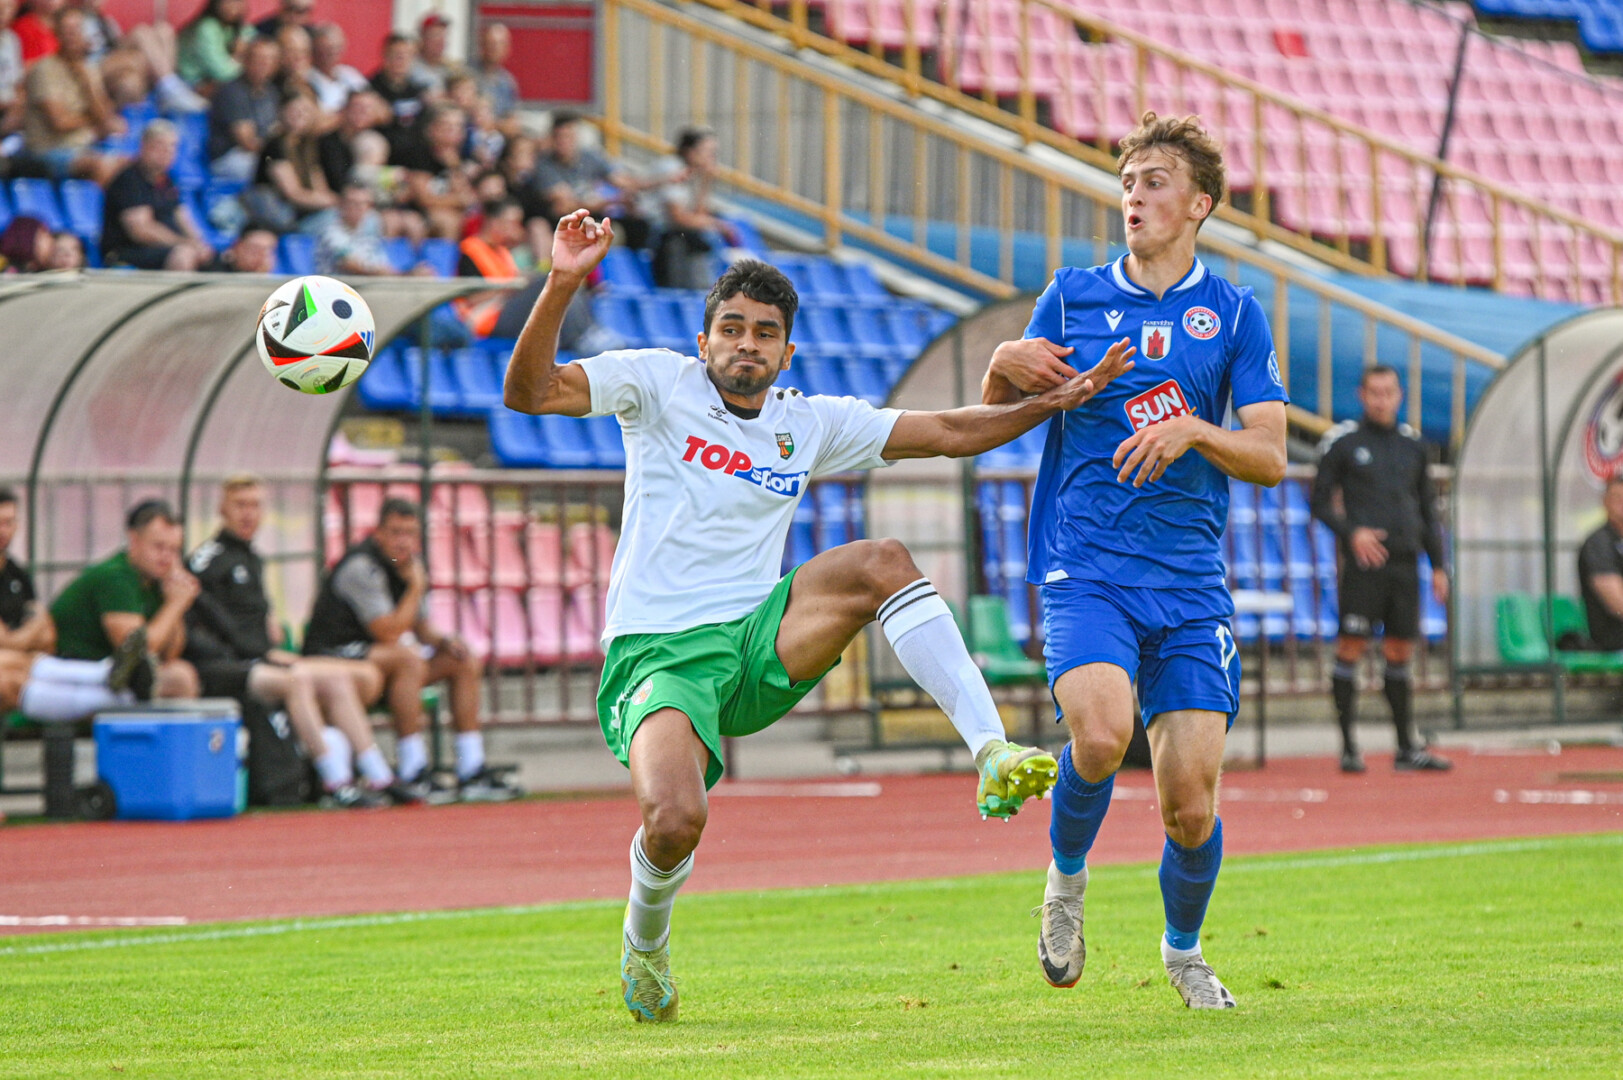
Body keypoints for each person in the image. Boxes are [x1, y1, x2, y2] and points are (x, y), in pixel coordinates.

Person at [504, 212, 1127, 1023]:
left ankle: (990, 750)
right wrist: (561, 281)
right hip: (658, 653)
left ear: (787, 352)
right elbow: (528, 393)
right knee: (674, 819)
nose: (746, 345)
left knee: (881, 561)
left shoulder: (806, 421)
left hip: (759, 638)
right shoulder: (655, 383)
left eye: (764, 334)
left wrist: (1058, 400)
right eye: (732, 329)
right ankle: (644, 946)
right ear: (703, 341)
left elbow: (948, 431)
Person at [983, 112, 1289, 1010]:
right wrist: (1001, 364)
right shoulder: (1070, 297)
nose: (1133, 197)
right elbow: (994, 417)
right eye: (1125, 183)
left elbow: (1270, 456)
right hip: (1086, 566)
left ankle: (1183, 952)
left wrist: (1194, 429)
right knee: (1100, 735)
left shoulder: (1233, 313)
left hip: (1189, 584)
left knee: (1188, 807)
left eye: (1154, 182)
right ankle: (1065, 881)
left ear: (1199, 204)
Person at [186, 475, 411, 809]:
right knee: (298, 680)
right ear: (222, 509)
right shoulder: (207, 560)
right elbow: (204, 625)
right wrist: (258, 652)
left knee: (338, 679)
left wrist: (267, 644)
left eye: (255, 505)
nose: (248, 514)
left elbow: (251, 623)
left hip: (256, 659)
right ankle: (336, 780)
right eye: (240, 505)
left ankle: (379, 774)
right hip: (221, 665)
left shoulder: (251, 558)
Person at [302, 498, 519, 802]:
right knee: (408, 658)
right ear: (379, 533)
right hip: (334, 654)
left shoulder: (409, 567)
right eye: (395, 532)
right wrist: (416, 588)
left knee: (463, 659)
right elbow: (388, 631)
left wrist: (445, 642)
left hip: (379, 659)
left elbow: (420, 626)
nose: (402, 542)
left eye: (410, 533)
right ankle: (412, 768)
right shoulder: (362, 567)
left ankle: (471, 768)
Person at [1311, 364, 1451, 774]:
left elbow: (1427, 509)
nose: (1381, 399)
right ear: (1362, 395)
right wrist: (1352, 533)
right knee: (1350, 648)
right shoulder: (1344, 443)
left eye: (1388, 392)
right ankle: (1348, 747)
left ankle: (1406, 747)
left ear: (1399, 395)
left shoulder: (1414, 446)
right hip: (1364, 566)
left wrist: (1438, 565)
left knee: (1399, 651)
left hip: (1406, 564)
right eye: (1374, 392)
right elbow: (1319, 502)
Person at [49, 499, 200, 700]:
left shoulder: (156, 580)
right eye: (159, 547)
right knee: (179, 679)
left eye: (174, 550)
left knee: (180, 672)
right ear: (134, 540)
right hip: (73, 673)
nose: (166, 558)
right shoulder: (115, 576)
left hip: (111, 675)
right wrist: (174, 605)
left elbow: (169, 654)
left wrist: (175, 604)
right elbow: (138, 651)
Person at [20, 6, 124, 185]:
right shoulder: (44, 69)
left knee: (130, 165)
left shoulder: (90, 69)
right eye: (67, 30)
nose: (73, 35)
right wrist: (94, 119)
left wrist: (87, 85)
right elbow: (60, 122)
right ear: (57, 33)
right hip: (48, 151)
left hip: (83, 147)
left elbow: (106, 118)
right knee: (100, 165)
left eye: (77, 29)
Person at [102, 120, 215, 271]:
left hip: (165, 248)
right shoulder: (129, 180)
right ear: (144, 146)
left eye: (172, 146)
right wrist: (183, 243)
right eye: (160, 145)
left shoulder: (167, 179)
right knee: (184, 254)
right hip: (128, 251)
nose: (167, 151)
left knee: (213, 255)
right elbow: (141, 231)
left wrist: (198, 243)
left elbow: (182, 216)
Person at [531, 111, 653, 248]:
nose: (564, 142)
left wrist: (657, 182)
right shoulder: (543, 166)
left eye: (569, 137)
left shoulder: (589, 157)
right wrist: (613, 201)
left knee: (639, 225)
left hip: (592, 216)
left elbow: (622, 180)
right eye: (560, 137)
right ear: (552, 138)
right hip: (564, 222)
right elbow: (568, 206)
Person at [649, 126, 738, 290]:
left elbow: (699, 214)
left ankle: (707, 289)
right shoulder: (674, 169)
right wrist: (718, 225)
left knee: (705, 236)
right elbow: (678, 218)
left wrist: (706, 182)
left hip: (677, 233)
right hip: (653, 232)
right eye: (708, 153)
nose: (712, 159)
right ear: (690, 152)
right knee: (705, 237)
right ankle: (697, 290)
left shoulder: (696, 172)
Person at [244, 92, 336, 233]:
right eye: (294, 110)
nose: (300, 115)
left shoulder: (308, 145)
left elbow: (318, 186)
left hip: (302, 212)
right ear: (281, 112)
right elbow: (292, 193)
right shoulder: (275, 145)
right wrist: (336, 203)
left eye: (305, 111)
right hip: (281, 214)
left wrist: (334, 201)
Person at [393, 103, 476, 239]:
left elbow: (464, 194)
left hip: (445, 209)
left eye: (458, 126)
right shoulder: (418, 154)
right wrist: (459, 201)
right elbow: (424, 199)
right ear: (430, 129)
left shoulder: (462, 157)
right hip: (415, 212)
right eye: (446, 125)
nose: (452, 131)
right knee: (448, 221)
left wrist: (454, 167)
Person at [206, 35, 279, 183]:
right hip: (230, 156)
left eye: (270, 59)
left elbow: (277, 130)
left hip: (260, 153)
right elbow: (247, 142)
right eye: (259, 58)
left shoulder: (272, 92)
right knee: (274, 168)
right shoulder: (232, 91)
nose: (264, 64)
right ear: (246, 60)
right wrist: (277, 153)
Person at [1577, 477, 1623, 652]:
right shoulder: (1599, 543)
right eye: (1616, 498)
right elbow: (1617, 603)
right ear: (1605, 502)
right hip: (1611, 638)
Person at [315, 181, 399, 276]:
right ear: (341, 205)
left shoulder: (370, 230)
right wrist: (395, 276)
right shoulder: (330, 232)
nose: (359, 208)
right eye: (353, 203)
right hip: (336, 283)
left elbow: (381, 263)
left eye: (364, 203)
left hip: (368, 283)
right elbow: (349, 264)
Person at [370, 32, 432, 153]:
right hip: (385, 148)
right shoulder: (371, 89)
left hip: (416, 150)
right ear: (385, 56)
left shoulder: (418, 91)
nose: (402, 60)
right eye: (397, 55)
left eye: (407, 55)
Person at [177, 0, 253, 90]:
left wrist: (244, 41)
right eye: (229, 1)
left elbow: (252, 36)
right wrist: (240, 57)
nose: (234, 6)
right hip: (191, 83)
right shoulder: (207, 27)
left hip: (215, 80)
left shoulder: (235, 26)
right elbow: (222, 72)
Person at [307, 22, 365, 115]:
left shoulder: (350, 74)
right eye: (327, 48)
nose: (333, 52)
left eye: (337, 47)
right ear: (314, 48)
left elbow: (372, 104)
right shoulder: (306, 78)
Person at [473, 22, 518, 131]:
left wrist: (496, 125)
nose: (495, 48)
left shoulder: (507, 82)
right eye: (491, 43)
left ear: (507, 49)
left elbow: (512, 122)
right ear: (481, 45)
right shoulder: (467, 75)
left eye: (500, 44)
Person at [411, 12, 461, 95]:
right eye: (435, 35)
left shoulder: (452, 69)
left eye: (443, 35)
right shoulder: (410, 66)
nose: (441, 41)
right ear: (422, 38)